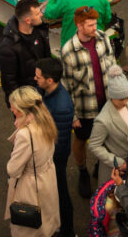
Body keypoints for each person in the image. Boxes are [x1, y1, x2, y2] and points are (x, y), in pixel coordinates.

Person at [58, 6, 116, 198]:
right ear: (79, 25)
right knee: (81, 139)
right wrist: (72, 115)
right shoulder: (68, 51)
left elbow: (113, 65)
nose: (95, 28)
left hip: (106, 103)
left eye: (95, 24)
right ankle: (82, 170)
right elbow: (65, 86)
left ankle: (99, 165)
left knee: (107, 137)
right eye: (90, 25)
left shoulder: (102, 38)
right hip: (84, 108)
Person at [5, 86, 61, 237]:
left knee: (28, 226)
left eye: (14, 107)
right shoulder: (45, 119)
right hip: (47, 177)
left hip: (30, 184)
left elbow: (13, 169)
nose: (11, 109)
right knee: (45, 219)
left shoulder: (25, 134)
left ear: (23, 111)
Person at [34, 58, 76, 236]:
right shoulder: (44, 91)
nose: (35, 79)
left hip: (54, 158)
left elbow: (59, 142)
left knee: (60, 193)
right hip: (46, 154)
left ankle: (67, 230)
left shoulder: (61, 107)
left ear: (49, 80)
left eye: (38, 77)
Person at [89, 65, 128, 182]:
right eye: (121, 99)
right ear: (112, 96)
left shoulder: (127, 100)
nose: (126, 102)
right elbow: (94, 146)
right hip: (117, 169)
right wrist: (117, 162)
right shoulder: (103, 120)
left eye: (127, 97)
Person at [0, 0, 51, 101]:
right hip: (26, 98)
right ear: (28, 20)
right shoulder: (8, 47)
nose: (41, 14)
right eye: (37, 14)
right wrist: (19, 105)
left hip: (42, 90)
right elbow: (9, 82)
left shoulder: (40, 31)